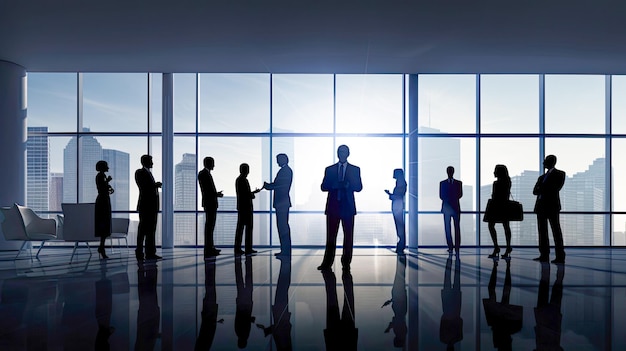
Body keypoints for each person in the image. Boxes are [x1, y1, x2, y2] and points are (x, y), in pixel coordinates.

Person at [318, 145, 363, 272]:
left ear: (348, 154)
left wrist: (349, 185)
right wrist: (333, 185)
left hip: (347, 207)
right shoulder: (329, 169)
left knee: (348, 236)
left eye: (344, 152)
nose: (341, 154)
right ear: (337, 154)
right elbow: (323, 186)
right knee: (330, 236)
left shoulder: (355, 169)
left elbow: (359, 187)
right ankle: (327, 263)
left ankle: (346, 263)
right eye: (339, 152)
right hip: (333, 207)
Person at [532, 155, 566, 264]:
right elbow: (535, 191)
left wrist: (542, 188)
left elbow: (555, 188)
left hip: (551, 206)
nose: (543, 163)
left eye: (545, 161)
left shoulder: (560, 174)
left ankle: (560, 256)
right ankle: (544, 255)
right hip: (541, 207)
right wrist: (544, 188)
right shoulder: (542, 177)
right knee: (542, 232)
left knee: (556, 231)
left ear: (551, 162)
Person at [263, 153, 293, 257]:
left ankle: (285, 251)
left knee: (282, 227)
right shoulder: (286, 171)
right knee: (283, 226)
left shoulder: (285, 171)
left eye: (278, 159)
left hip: (282, 203)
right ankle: (285, 250)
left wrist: (269, 186)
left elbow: (280, 185)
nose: (277, 162)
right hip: (283, 203)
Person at [135, 154, 162, 261]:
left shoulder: (148, 173)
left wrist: (154, 185)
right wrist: (154, 185)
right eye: (151, 161)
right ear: (145, 162)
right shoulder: (140, 172)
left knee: (151, 231)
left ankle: (150, 252)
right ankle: (140, 252)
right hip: (146, 207)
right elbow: (143, 187)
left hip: (151, 207)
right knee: (143, 230)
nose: (153, 163)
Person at [484, 164, 513, 259]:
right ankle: (508, 247)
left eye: (495, 170)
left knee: (491, 225)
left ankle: (496, 247)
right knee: (506, 226)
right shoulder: (508, 181)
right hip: (505, 206)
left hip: (496, 206)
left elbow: (494, 196)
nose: (494, 172)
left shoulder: (496, 183)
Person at [198, 157, 223, 258]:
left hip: (209, 202)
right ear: (208, 164)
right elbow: (207, 190)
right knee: (209, 226)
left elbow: (207, 190)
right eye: (213, 163)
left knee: (210, 227)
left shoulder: (204, 173)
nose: (214, 165)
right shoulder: (204, 174)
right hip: (210, 203)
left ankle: (210, 248)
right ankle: (209, 249)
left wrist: (215, 194)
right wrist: (216, 195)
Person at [235, 163, 261, 255]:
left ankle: (238, 248)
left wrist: (252, 193)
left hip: (242, 207)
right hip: (246, 207)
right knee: (247, 228)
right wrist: (253, 194)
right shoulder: (243, 180)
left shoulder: (239, 180)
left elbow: (243, 193)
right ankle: (247, 248)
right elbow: (246, 194)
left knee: (241, 228)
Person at [440, 255, 463, 350]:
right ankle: (452, 261)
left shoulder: (458, 338)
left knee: (456, 279)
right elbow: (442, 321)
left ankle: (455, 261)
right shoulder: (443, 338)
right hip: (448, 309)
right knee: (448, 278)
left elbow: (460, 321)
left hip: (454, 309)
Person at [439, 166, 463, 254]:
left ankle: (456, 247)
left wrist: (449, 199)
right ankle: (450, 246)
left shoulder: (458, 183)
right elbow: (441, 195)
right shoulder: (443, 183)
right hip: (448, 208)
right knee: (448, 228)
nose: (450, 173)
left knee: (456, 227)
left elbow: (460, 194)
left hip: (454, 208)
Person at [95, 160, 114, 260]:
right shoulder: (100, 176)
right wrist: (108, 182)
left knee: (105, 225)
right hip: (103, 202)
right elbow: (102, 188)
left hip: (104, 200)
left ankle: (101, 247)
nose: (108, 168)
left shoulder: (101, 176)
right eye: (106, 166)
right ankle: (101, 247)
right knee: (104, 224)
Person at [385, 168, 407, 254]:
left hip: (397, 207)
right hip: (398, 207)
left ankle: (401, 245)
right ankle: (401, 245)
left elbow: (398, 196)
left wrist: (390, 194)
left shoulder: (401, 184)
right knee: (400, 226)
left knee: (399, 226)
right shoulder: (401, 183)